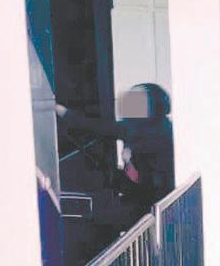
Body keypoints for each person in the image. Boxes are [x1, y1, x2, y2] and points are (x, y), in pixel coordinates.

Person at [56, 83, 175, 222]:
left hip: (148, 204)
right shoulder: (144, 127)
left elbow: (144, 180)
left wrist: (128, 162)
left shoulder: (153, 135)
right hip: (145, 197)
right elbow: (98, 127)